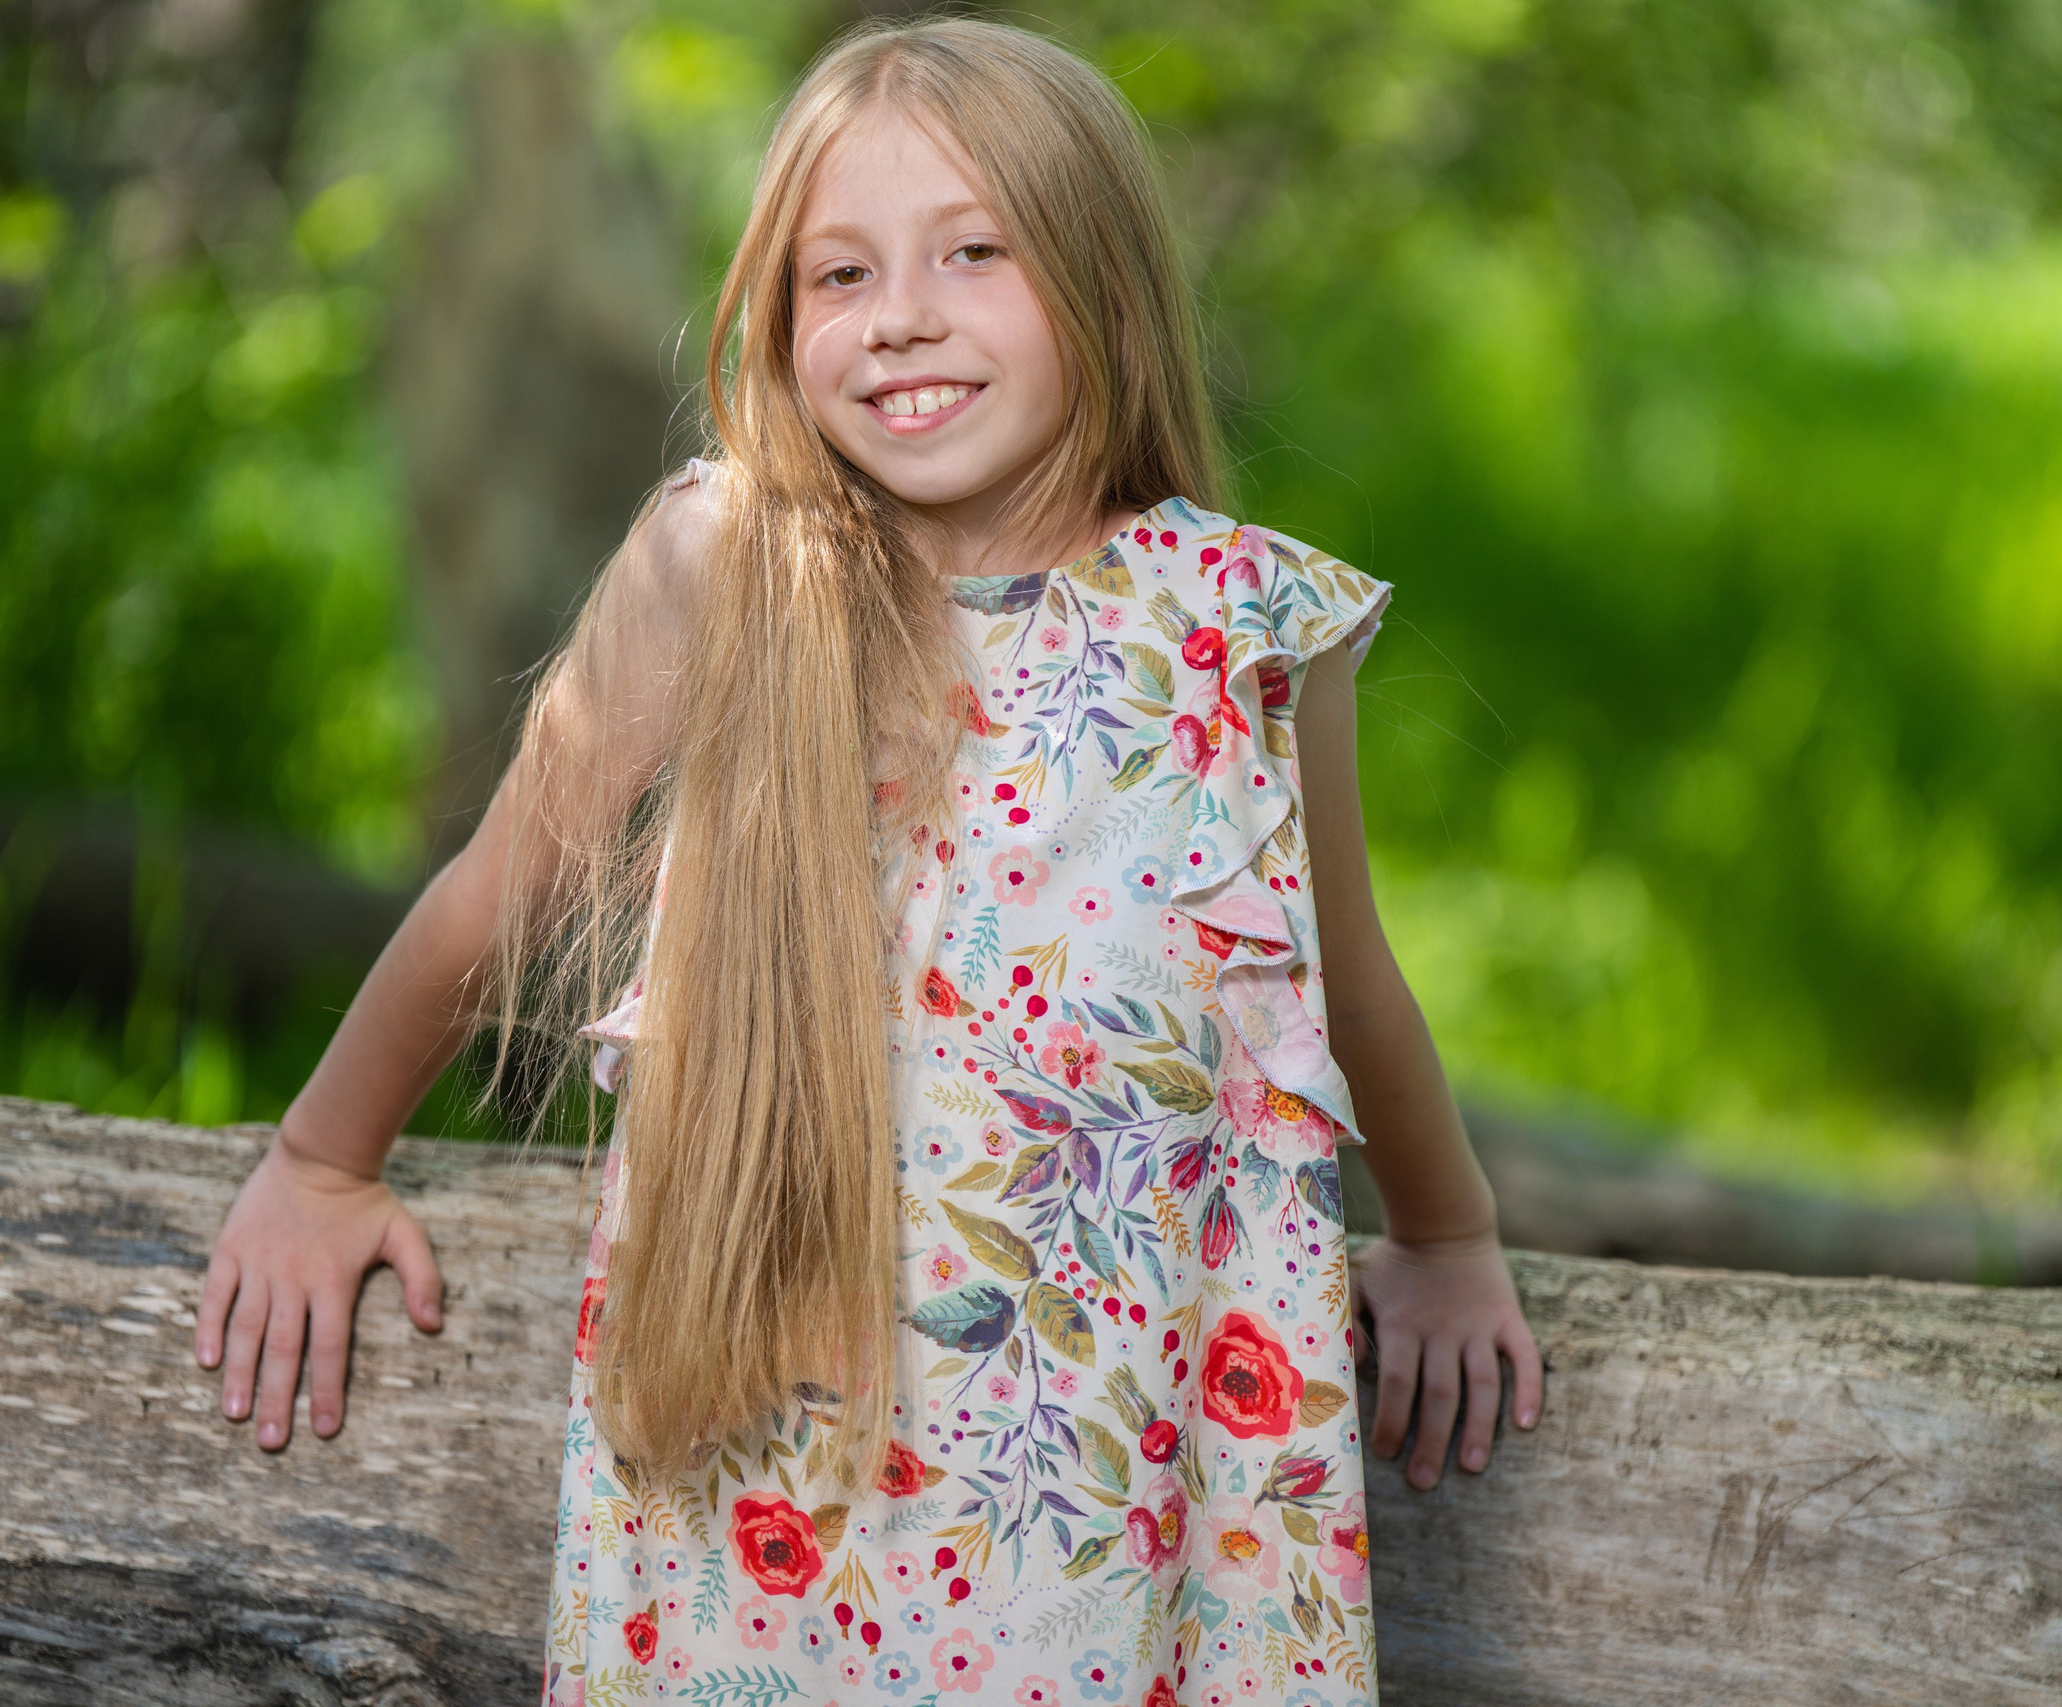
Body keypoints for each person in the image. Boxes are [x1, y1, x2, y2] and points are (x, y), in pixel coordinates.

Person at [195, 17, 1542, 1705]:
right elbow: (500, 885)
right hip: (773, 1493)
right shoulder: (730, 567)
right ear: (777, 321)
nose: (900, 315)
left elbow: (1338, 977)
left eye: (973, 253)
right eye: (840, 275)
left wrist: (1448, 1234)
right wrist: (323, 1161)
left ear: (1107, 292)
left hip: (1115, 1510)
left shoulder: (1232, 623)